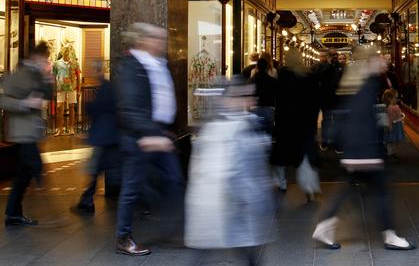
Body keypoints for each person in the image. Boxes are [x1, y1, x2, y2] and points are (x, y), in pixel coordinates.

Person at [312, 46, 415, 251]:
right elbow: (361, 119)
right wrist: (369, 152)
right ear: (370, 62)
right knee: (380, 191)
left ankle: (325, 226)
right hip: (363, 151)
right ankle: (389, 235)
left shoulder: (353, 81)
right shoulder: (367, 84)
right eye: (379, 58)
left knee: (350, 188)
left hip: (355, 149)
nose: (384, 61)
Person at [185, 76, 275, 266]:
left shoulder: (237, 122)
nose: (252, 100)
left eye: (252, 95)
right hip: (228, 205)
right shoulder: (228, 127)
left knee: (235, 248)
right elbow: (231, 171)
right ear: (229, 99)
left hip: (226, 206)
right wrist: (255, 198)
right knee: (240, 247)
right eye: (245, 96)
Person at [114, 23, 184, 256]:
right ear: (142, 40)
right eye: (156, 38)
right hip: (139, 137)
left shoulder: (157, 63)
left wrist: (162, 131)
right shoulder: (132, 66)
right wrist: (149, 134)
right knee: (132, 187)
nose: (161, 42)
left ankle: (174, 230)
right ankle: (123, 238)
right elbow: (130, 108)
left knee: (174, 179)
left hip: (158, 133)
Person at [1, 41, 53, 226]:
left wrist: (48, 79)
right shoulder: (18, 75)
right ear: (35, 57)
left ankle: (13, 213)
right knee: (37, 166)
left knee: (24, 174)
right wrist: (24, 104)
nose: (45, 61)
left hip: (32, 131)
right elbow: (2, 99)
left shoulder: (38, 74)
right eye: (43, 58)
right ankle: (52, 208)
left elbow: (47, 96)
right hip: (22, 132)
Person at [270, 48, 320, 196]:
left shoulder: (283, 76)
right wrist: (313, 121)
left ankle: (282, 181)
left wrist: (278, 121)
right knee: (304, 154)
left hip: (286, 122)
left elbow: (278, 100)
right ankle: (309, 185)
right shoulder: (309, 76)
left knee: (281, 154)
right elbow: (315, 101)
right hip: (304, 123)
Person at [76, 60, 119, 214]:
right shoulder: (107, 87)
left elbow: (99, 109)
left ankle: (86, 200)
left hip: (104, 135)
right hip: (107, 135)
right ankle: (86, 199)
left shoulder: (104, 88)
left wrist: (88, 105)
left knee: (96, 167)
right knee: (98, 167)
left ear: (98, 70)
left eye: (93, 69)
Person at [251, 57, 277, 134]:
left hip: (255, 109)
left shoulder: (252, 80)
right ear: (267, 68)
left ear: (257, 67)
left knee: (255, 135)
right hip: (269, 109)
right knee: (268, 135)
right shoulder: (272, 81)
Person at [383, 89, 405, 159]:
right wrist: (389, 127)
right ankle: (390, 154)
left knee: (394, 141)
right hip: (392, 127)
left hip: (396, 126)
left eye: (397, 98)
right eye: (395, 98)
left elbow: (398, 115)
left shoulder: (396, 107)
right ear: (389, 99)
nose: (397, 100)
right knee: (390, 141)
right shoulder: (390, 108)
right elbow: (389, 119)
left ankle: (392, 153)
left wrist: (401, 118)